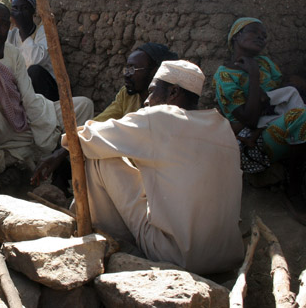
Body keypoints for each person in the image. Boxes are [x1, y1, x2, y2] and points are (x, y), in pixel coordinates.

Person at [69, 60, 244, 274]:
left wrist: (60, 148)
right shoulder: (222, 127)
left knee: (99, 157)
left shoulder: (160, 117)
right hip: (227, 257)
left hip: (177, 256)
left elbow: (86, 139)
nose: (146, 101)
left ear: (173, 92)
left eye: (152, 92)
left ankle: (113, 239)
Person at [0, 0, 94, 195]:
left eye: (3, 24)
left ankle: (48, 162)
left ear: (9, 25)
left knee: (83, 105)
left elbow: (28, 98)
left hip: (14, 125)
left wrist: (45, 139)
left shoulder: (12, 53)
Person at [31, 42, 178, 187]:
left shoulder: (169, 109)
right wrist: (62, 151)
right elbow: (99, 123)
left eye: (133, 69)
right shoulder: (128, 95)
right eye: (126, 68)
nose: (127, 75)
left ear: (154, 72)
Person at [213, 17, 306, 223]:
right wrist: (253, 76)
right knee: (302, 118)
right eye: (254, 32)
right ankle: (293, 190)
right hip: (251, 145)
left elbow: (281, 95)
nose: (261, 38)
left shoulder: (266, 64)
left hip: (277, 125)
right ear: (236, 36)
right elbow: (250, 119)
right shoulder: (225, 76)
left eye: (264, 36)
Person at [6, 0, 57, 101]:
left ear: (33, 12)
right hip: (22, 93)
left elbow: (34, 60)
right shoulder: (11, 36)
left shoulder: (44, 31)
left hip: (46, 92)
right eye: (15, 9)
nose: (19, 13)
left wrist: (23, 28)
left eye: (24, 8)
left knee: (34, 71)